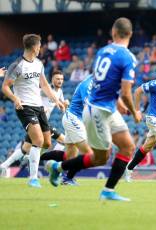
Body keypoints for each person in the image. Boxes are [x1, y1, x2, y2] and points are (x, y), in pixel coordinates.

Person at [46, 18, 138, 201]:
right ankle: (58, 167)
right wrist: (135, 112)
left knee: (128, 147)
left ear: (113, 33)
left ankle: (108, 191)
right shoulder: (128, 57)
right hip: (97, 110)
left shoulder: (103, 52)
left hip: (106, 108)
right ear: (130, 34)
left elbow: (103, 85)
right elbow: (127, 93)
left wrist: (118, 104)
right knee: (99, 158)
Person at [1, 34, 65, 188]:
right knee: (38, 141)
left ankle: (38, 163)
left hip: (39, 107)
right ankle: (33, 178)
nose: (41, 48)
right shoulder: (17, 65)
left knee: (47, 142)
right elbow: (5, 87)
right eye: (39, 46)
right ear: (34, 47)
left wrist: (57, 101)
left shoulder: (38, 63)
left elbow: (44, 85)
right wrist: (15, 99)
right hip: (25, 107)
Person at [40, 76, 94, 185]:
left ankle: (38, 157)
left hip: (73, 118)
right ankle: (56, 168)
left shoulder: (98, 84)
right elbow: (89, 107)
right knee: (90, 154)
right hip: (74, 119)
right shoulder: (88, 84)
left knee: (69, 156)